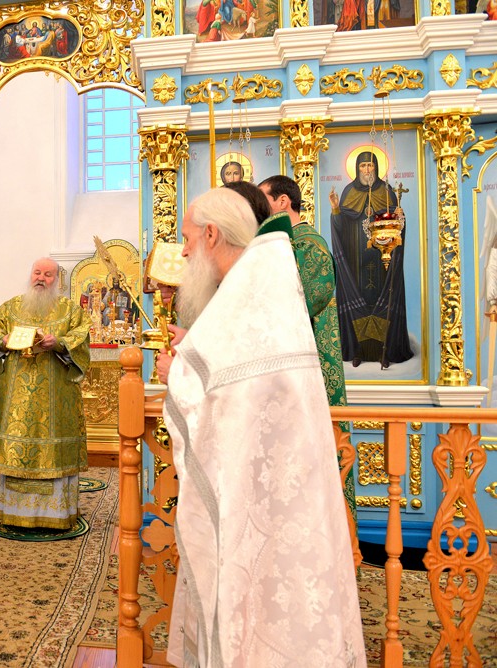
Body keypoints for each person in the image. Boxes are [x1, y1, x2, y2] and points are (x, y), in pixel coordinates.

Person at [154, 187, 365, 667]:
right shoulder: (259, 278)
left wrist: (178, 371)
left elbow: (240, 386)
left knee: (263, 593)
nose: (183, 252)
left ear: (212, 234)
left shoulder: (254, 284)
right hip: (280, 479)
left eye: (188, 239)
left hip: (266, 484)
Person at [260, 174, 354, 519]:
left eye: (264, 201)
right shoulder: (284, 243)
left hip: (310, 363)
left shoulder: (308, 245)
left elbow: (302, 302)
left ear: (283, 201)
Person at [0, 258, 91, 531]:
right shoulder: (11, 307)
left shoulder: (70, 310)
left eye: (48, 274)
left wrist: (60, 343)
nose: (41, 278)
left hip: (57, 400)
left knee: (54, 451)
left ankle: (57, 514)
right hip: (17, 398)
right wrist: (2, 341)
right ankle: (14, 513)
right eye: (37, 272)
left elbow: (81, 340)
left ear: (57, 279)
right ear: (31, 275)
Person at [329, 150, 412, 367]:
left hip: (383, 258)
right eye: (363, 166)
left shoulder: (387, 191)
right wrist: (336, 209)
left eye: (370, 165)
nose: (367, 170)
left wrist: (401, 217)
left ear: (377, 167)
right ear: (357, 169)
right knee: (359, 300)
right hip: (356, 260)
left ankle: (383, 351)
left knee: (382, 299)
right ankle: (359, 351)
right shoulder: (348, 192)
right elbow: (340, 227)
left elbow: (398, 226)